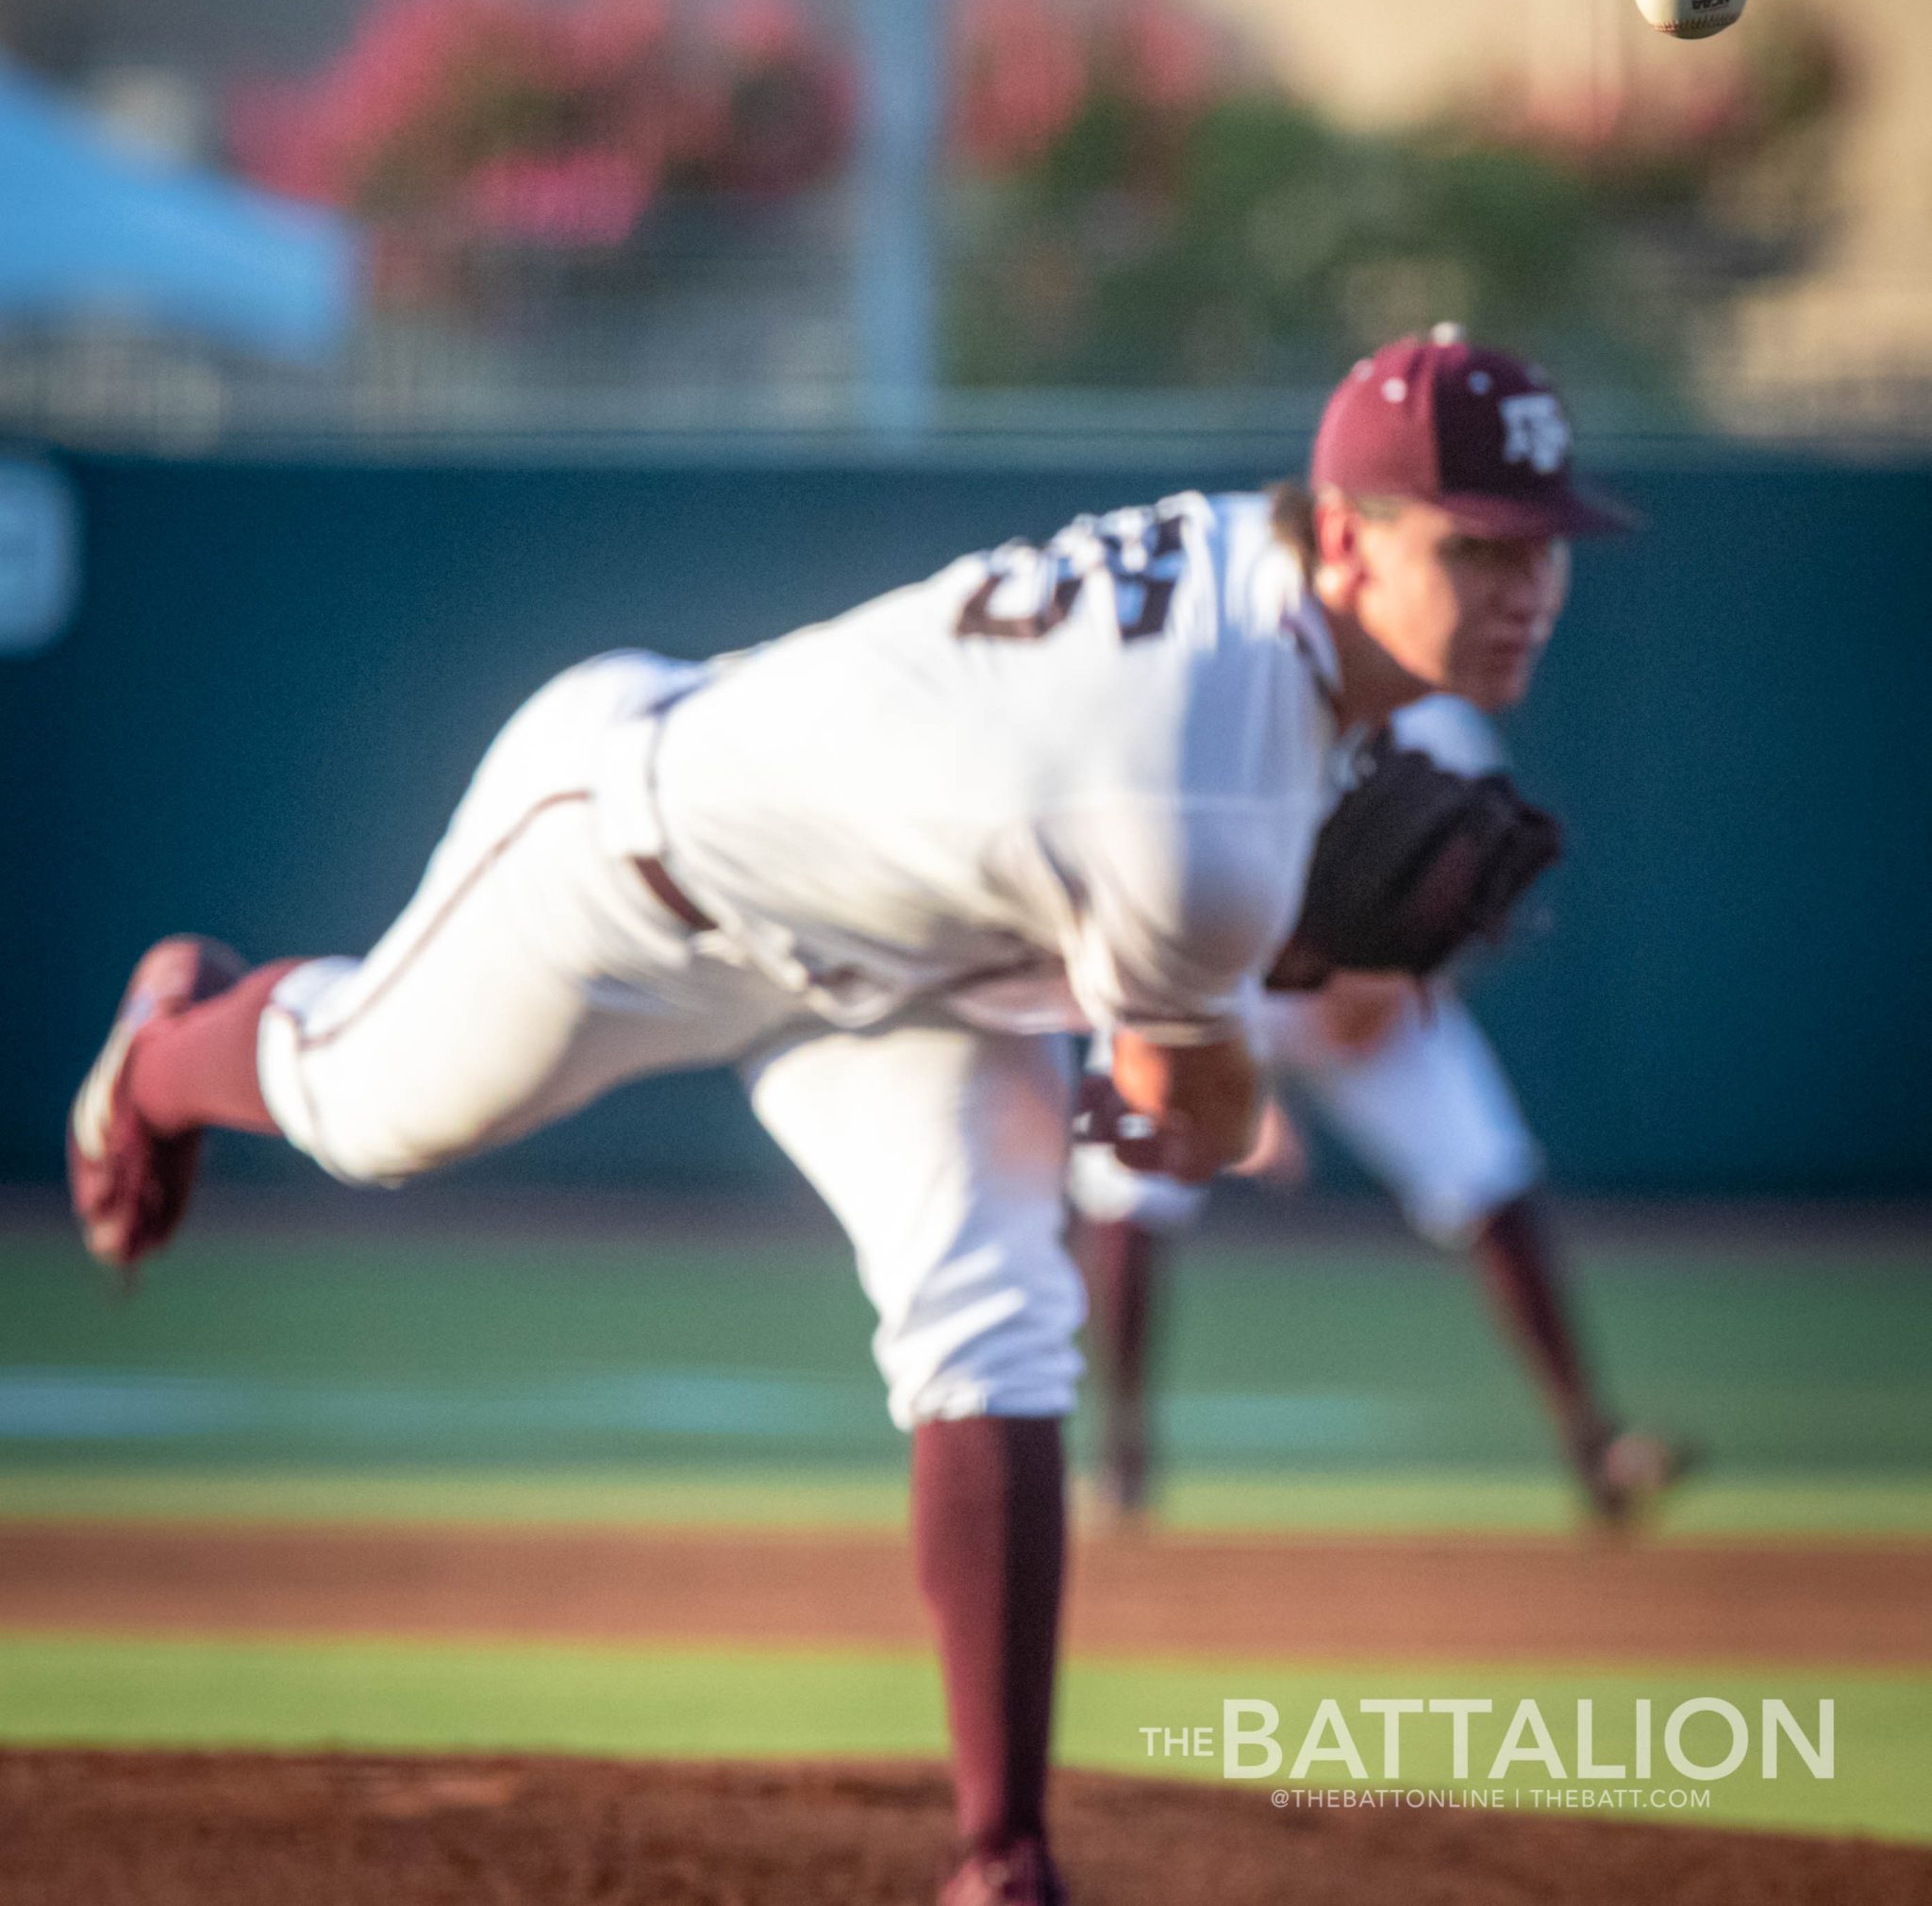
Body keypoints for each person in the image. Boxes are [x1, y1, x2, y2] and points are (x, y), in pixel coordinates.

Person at [67, 326, 1622, 1906]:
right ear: (1348, 537)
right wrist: (1296, 955)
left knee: (996, 1309)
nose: (1528, 589)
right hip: (628, 870)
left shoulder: (1265, 572)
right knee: (356, 1111)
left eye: (1545, 546)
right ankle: (160, 1052)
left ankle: (999, 1855)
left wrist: (1245, 956)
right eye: (1480, 548)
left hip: (899, 966)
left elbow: (1143, 970)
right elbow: (1189, 1117)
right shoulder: (1204, 819)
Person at [1069, 697, 1695, 1534]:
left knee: (1488, 1174)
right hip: (1216, 978)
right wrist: (1220, 1069)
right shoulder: (1224, 689)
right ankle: (1121, 1464)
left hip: (1371, 998)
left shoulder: (1436, 725)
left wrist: (1405, 978)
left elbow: (1477, 881)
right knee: (1128, 1190)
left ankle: (1595, 1451)